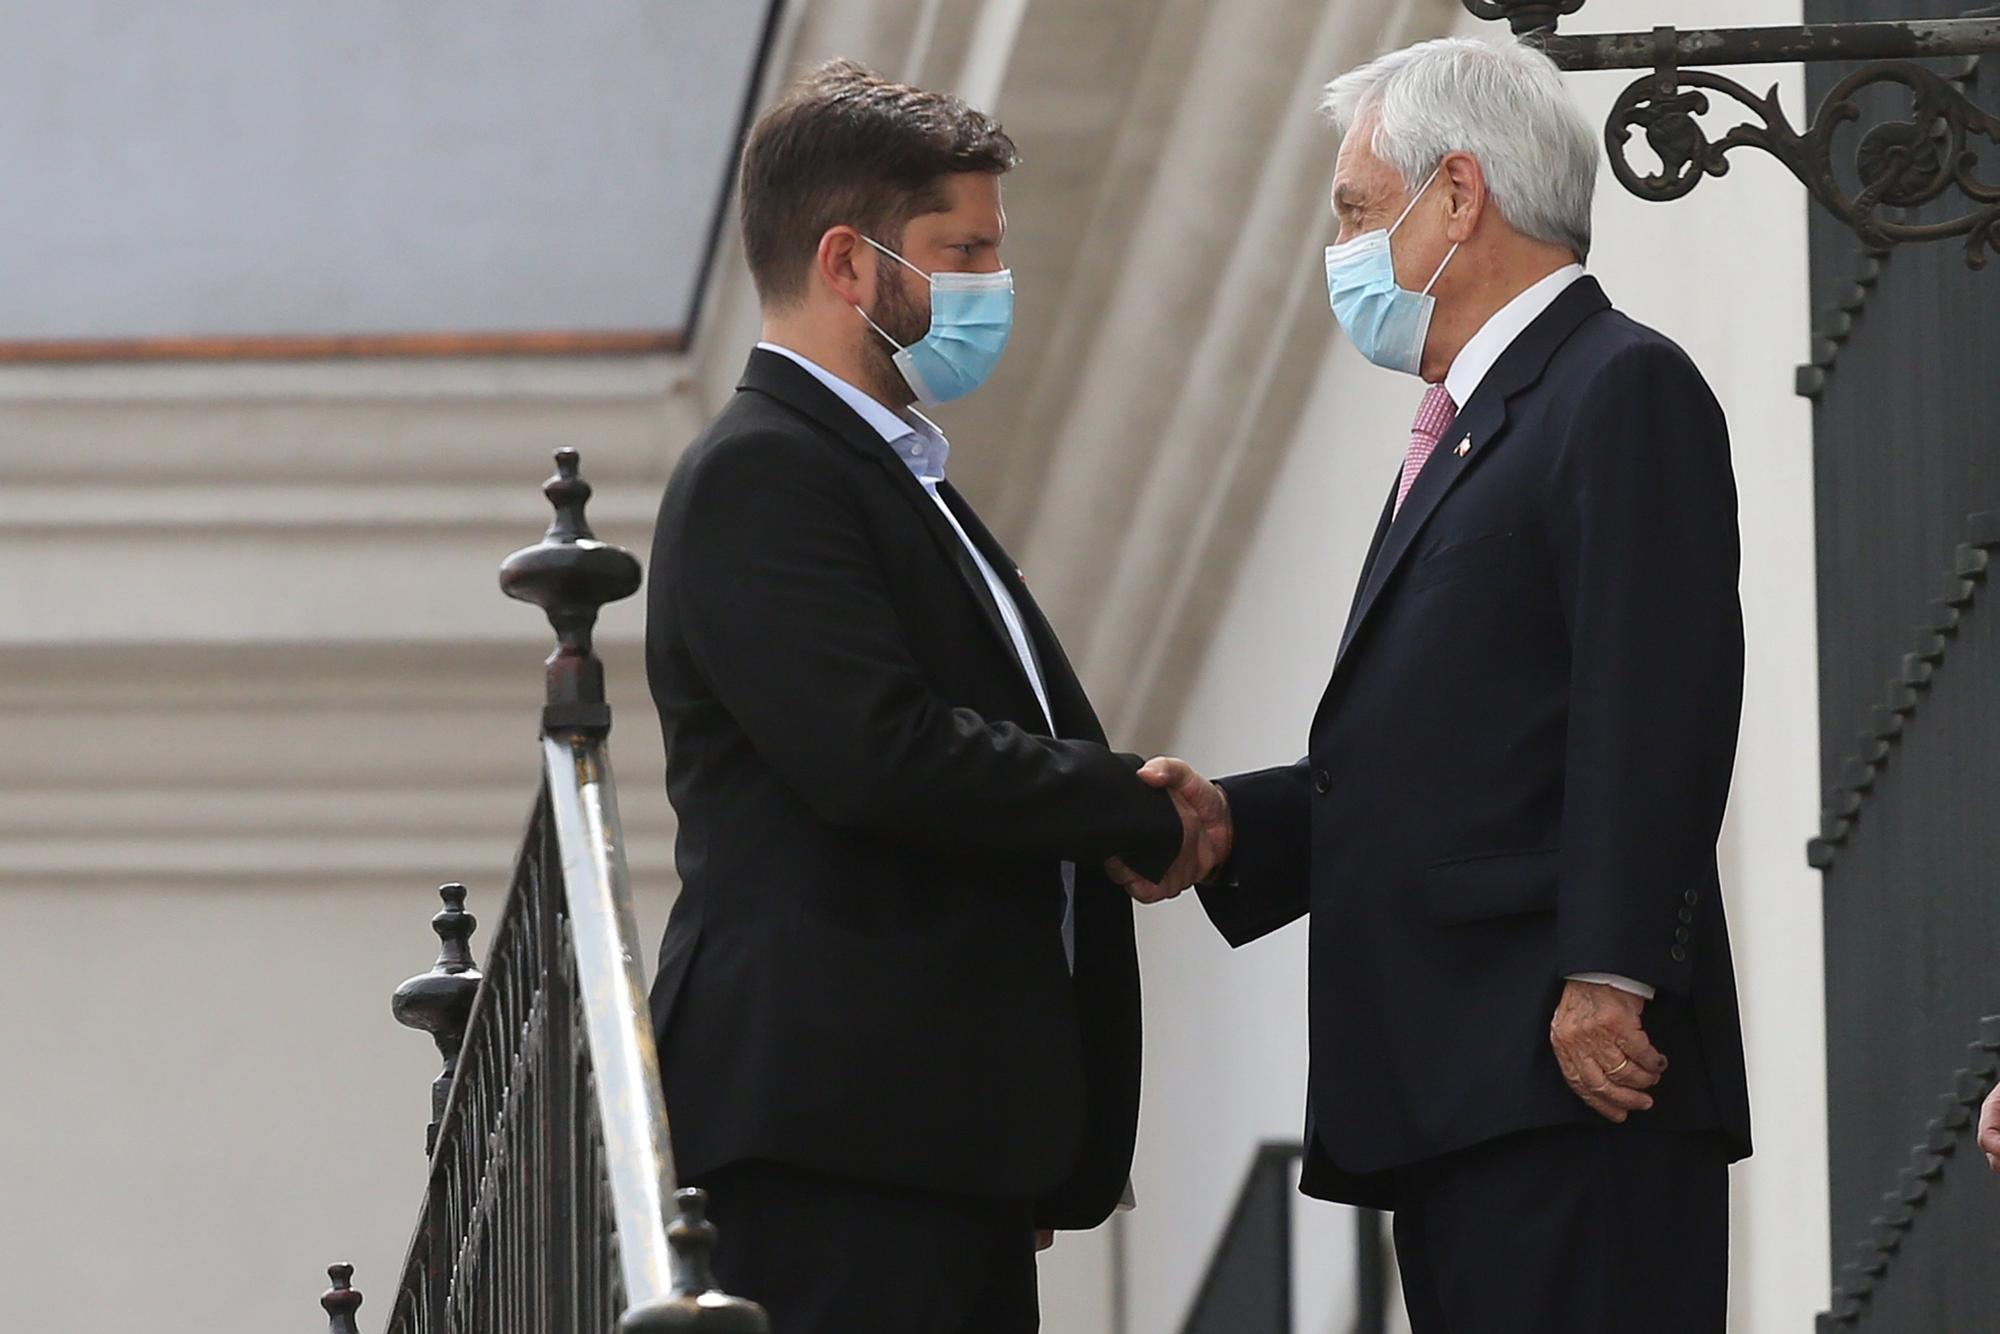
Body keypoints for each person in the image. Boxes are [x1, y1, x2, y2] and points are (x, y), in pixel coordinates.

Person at [1111, 37, 1753, 1333]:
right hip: (1465, 1090)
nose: (1339, 248)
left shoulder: (1616, 385)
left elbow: (1659, 686)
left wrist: (1615, 968)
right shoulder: (1475, 423)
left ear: (1457, 198)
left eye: (1356, 209)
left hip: (1568, 1069)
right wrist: (1246, 828)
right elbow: (1460, 745)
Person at [643, 58, 1217, 1334]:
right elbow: (878, 752)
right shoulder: (761, 475)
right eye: (959, 250)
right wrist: (1126, 802)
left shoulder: (895, 479)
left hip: (927, 1138)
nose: (988, 286)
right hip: (833, 1134)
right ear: (849, 264)